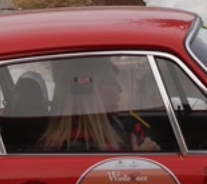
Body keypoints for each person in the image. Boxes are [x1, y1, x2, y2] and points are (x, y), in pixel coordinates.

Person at [35, 58, 164, 153]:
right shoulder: (85, 147)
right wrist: (138, 162)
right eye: (112, 82)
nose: (120, 89)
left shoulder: (59, 142)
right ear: (95, 93)